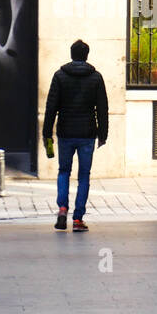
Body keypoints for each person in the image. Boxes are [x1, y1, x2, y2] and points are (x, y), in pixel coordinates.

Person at [42, 39, 108, 232]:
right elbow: (102, 108)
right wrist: (103, 133)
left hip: (65, 132)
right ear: (86, 55)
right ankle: (78, 218)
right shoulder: (96, 78)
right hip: (87, 133)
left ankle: (62, 208)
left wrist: (47, 132)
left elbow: (51, 107)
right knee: (84, 175)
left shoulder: (60, 76)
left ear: (71, 54)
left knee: (64, 171)